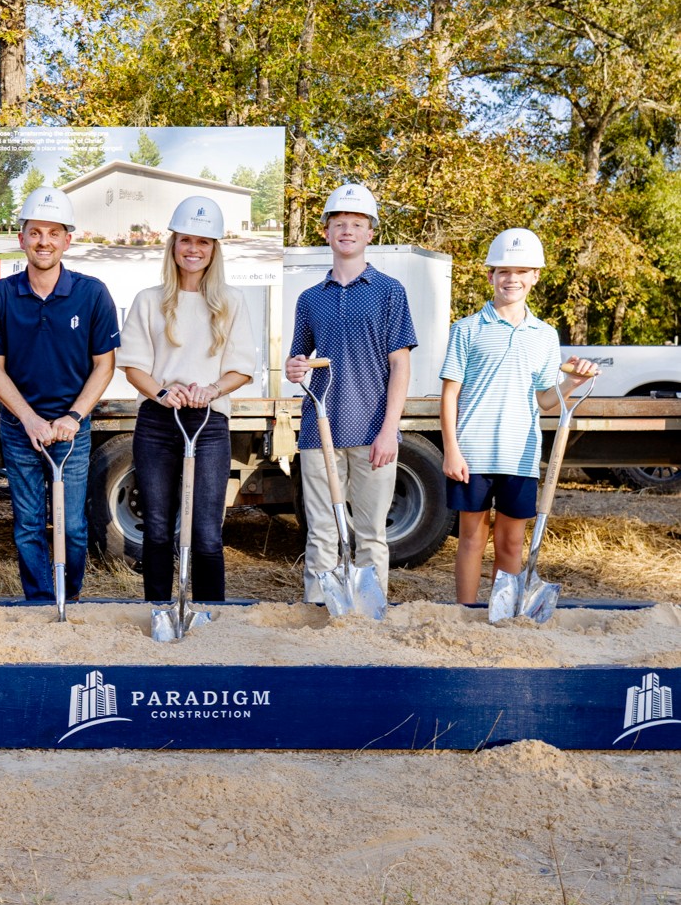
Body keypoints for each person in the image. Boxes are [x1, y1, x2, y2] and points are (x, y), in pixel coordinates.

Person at [0, 186, 119, 602]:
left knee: (72, 527)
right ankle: (39, 602)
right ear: (21, 238)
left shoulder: (91, 293)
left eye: (53, 233)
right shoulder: (1, 295)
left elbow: (104, 365)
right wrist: (29, 419)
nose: (44, 241)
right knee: (29, 524)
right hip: (20, 428)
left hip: (71, 429)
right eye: (35, 232)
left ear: (67, 240)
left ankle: (68, 598)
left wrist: (72, 417)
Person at [440, 230, 598, 604]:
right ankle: (465, 613)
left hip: (520, 455)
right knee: (472, 538)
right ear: (491, 275)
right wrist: (451, 450)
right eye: (504, 271)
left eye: (522, 271)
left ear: (535, 277)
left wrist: (572, 382)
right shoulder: (466, 329)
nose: (512, 279)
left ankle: (503, 615)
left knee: (510, 543)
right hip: (473, 454)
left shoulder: (545, 335)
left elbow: (545, 400)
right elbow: (449, 395)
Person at [118, 196, 255, 602]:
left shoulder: (231, 301)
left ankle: (210, 613)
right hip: (158, 422)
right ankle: (160, 609)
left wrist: (212, 390)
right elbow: (133, 367)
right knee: (158, 526)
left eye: (204, 242)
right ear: (174, 244)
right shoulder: (148, 300)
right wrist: (162, 392)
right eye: (186, 240)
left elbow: (241, 368)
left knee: (207, 530)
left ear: (214, 249)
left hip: (209, 422)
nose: (194, 249)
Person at [284, 183, 417, 602]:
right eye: (339, 223)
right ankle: (318, 610)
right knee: (321, 531)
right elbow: (297, 360)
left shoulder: (389, 291)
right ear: (326, 232)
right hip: (319, 431)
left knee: (371, 533)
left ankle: (369, 616)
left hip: (373, 432)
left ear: (370, 233)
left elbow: (400, 365)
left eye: (357, 224)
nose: (347, 230)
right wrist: (294, 367)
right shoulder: (310, 299)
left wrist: (389, 431)